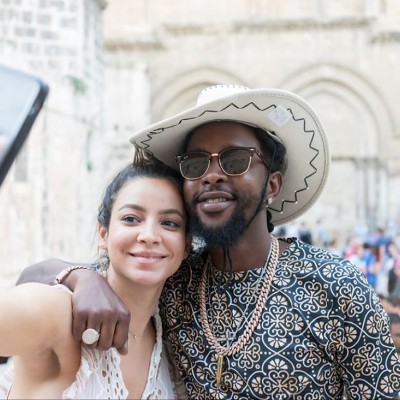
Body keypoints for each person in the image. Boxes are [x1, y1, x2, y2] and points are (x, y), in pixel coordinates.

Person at [18, 85, 400, 399]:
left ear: (272, 185)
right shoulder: (173, 280)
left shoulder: (335, 285)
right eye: (196, 163)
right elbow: (33, 277)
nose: (212, 175)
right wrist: (82, 277)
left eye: (235, 160)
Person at [0, 156, 189, 399]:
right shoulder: (59, 312)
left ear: (186, 246)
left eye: (170, 223)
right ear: (103, 235)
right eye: (131, 219)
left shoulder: (175, 350)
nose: (149, 235)